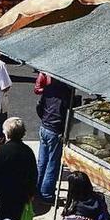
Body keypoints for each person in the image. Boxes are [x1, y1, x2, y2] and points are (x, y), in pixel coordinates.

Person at [34, 71, 72, 203]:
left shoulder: (49, 88)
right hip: (55, 130)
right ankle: (46, 194)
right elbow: (67, 112)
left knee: (42, 162)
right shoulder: (66, 92)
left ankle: (37, 189)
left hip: (44, 127)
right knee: (52, 164)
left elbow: (40, 107)